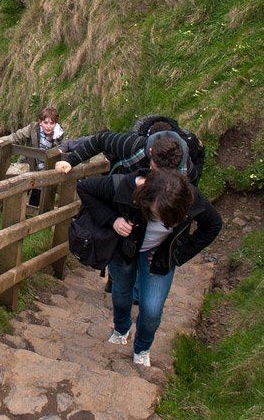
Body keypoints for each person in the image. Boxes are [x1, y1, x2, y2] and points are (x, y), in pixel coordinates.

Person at [76, 168, 222, 367]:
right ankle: (121, 329)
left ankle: (142, 347)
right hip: (123, 250)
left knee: (152, 310)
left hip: (159, 257)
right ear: (146, 200)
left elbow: (213, 225)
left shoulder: (191, 198)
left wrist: (178, 255)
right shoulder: (126, 188)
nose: (162, 222)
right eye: (157, 215)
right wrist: (113, 220)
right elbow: (84, 188)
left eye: (169, 219)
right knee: (121, 292)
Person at [55, 129, 201, 185]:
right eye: (153, 164)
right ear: (150, 151)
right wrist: (71, 160)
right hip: (122, 187)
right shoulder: (134, 145)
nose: (152, 169)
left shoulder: (185, 165)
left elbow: (193, 182)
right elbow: (101, 139)